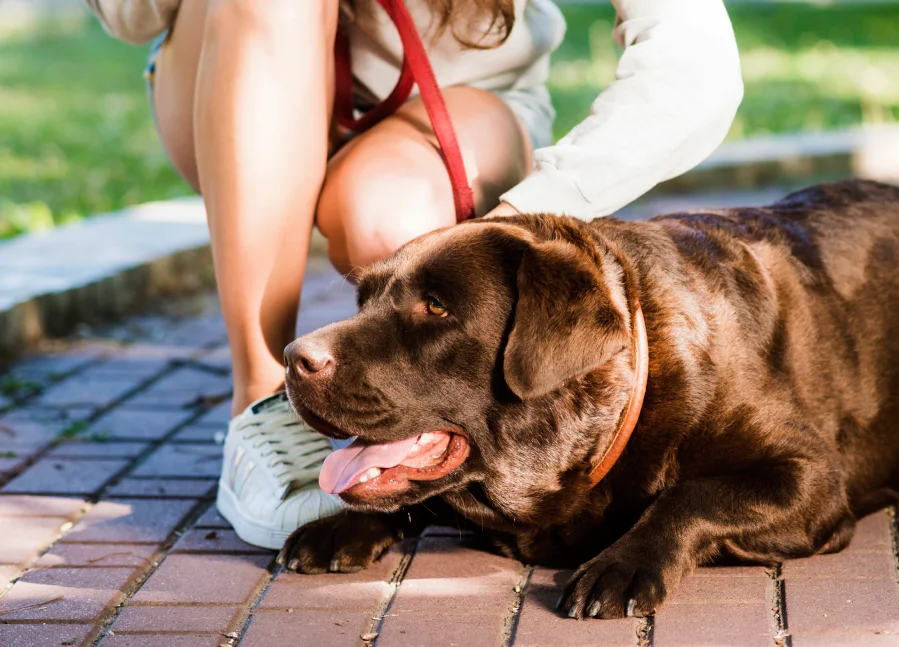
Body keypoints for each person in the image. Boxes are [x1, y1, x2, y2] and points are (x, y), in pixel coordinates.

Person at [84, 0, 743, 549]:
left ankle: (409, 415)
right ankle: (262, 403)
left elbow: (697, 69)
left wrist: (521, 218)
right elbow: (127, 17)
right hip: (227, 65)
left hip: (456, 102)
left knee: (392, 222)